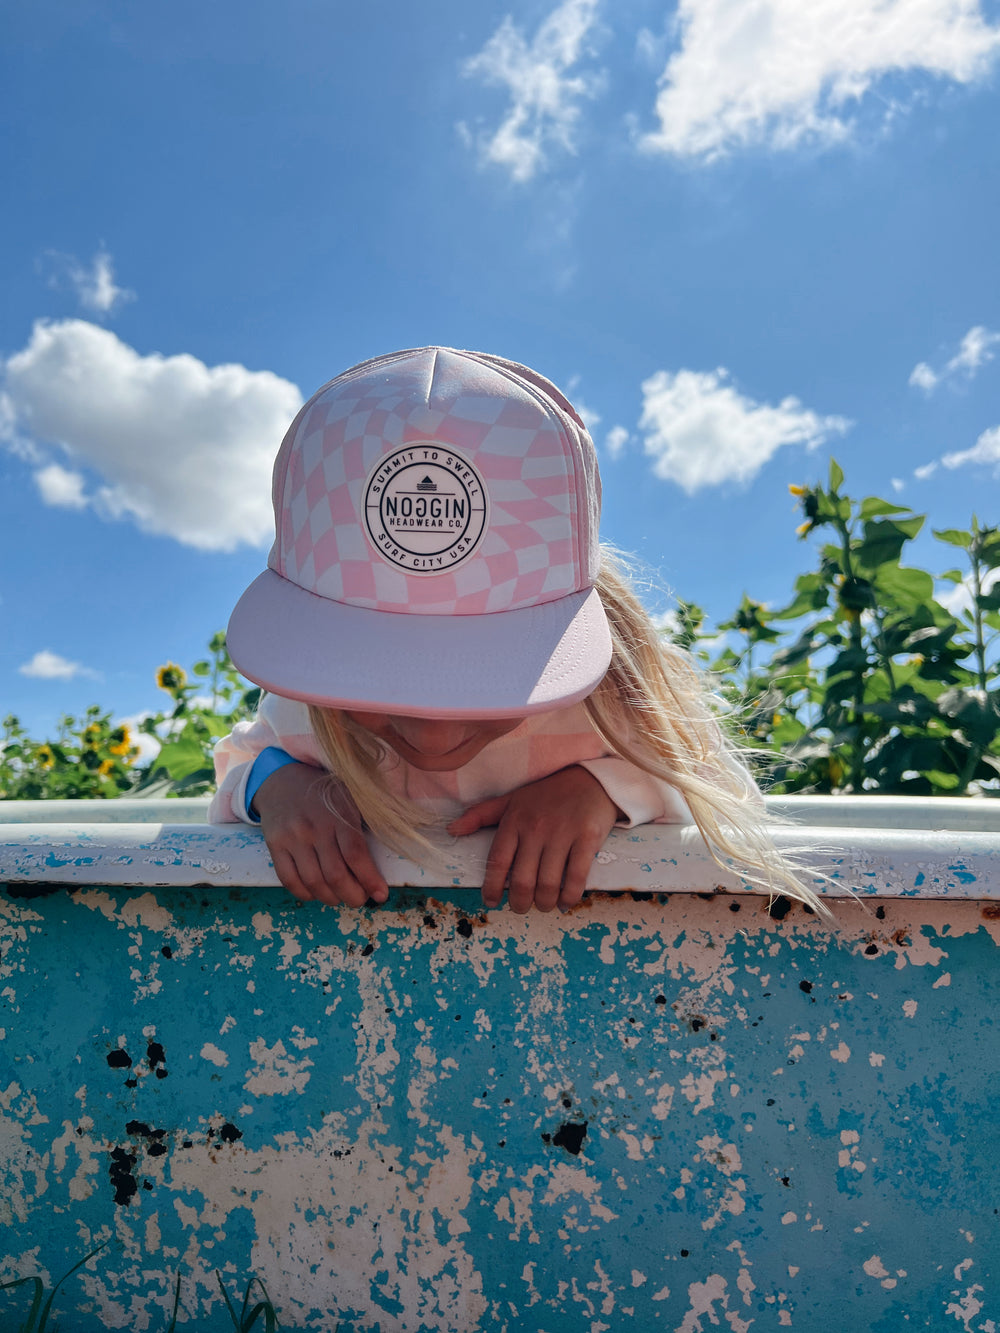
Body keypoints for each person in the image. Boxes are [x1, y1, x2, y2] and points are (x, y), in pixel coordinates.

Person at [209, 346, 823, 916]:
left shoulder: (605, 704)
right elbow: (238, 759)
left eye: (485, 677)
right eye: (379, 682)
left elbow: (727, 800)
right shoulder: (308, 708)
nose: (431, 727)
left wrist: (608, 787)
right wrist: (276, 785)